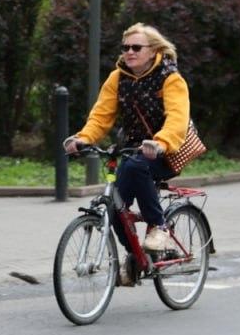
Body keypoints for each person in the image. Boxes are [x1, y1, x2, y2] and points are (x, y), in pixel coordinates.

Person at [64, 23, 191, 278]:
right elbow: (101, 116)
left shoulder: (170, 78)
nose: (129, 52)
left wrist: (162, 141)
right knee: (113, 209)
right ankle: (135, 257)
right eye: (125, 48)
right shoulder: (117, 78)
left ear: (153, 50)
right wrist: (82, 138)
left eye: (136, 47)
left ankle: (159, 227)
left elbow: (177, 118)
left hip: (166, 150)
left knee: (136, 166)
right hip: (134, 150)